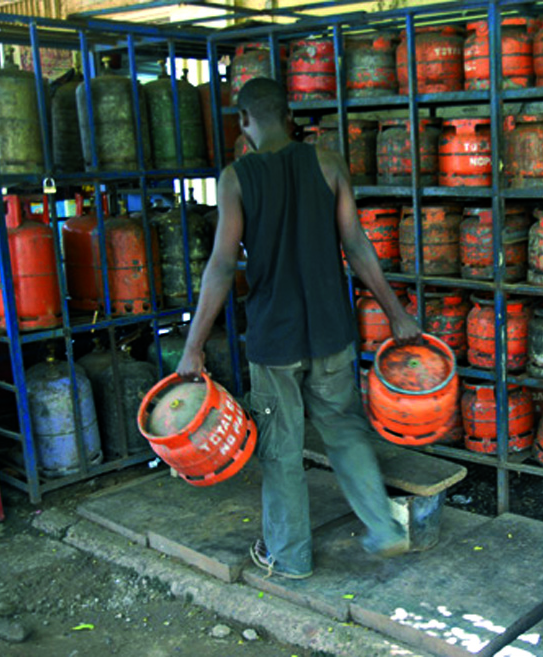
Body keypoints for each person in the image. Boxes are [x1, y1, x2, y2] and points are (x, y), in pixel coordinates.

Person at [176, 76, 421, 579]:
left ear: (244, 122)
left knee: (282, 450)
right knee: (345, 430)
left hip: (274, 338)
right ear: (288, 117)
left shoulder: (236, 178)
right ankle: (385, 528)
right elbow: (357, 247)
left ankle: (290, 558)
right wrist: (397, 314)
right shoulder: (329, 164)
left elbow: (222, 266)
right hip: (330, 329)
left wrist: (193, 347)